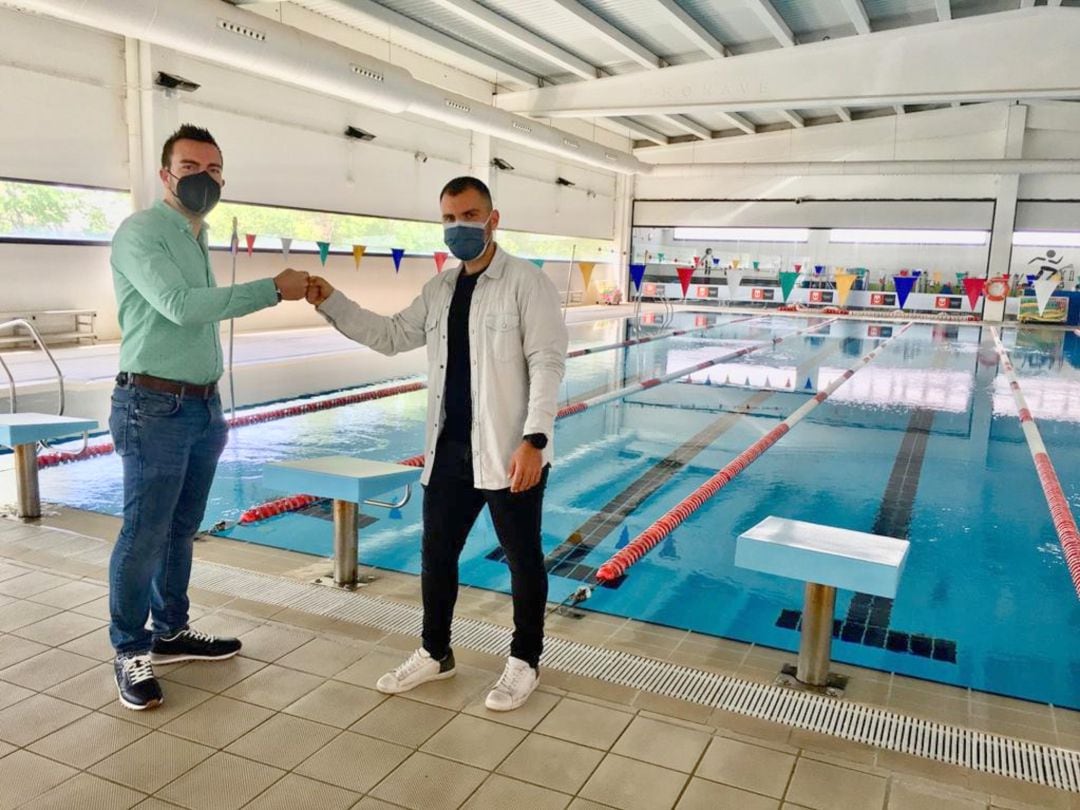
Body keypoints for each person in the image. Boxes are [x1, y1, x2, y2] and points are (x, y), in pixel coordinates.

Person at [305, 176, 567, 711]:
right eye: (448, 219)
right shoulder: (440, 289)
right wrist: (331, 301)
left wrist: (534, 440)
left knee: (522, 558)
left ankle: (524, 660)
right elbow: (389, 335)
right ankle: (434, 652)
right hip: (449, 447)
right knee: (437, 556)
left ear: (494, 219)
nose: (458, 228)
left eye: (469, 216)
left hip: (507, 449)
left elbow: (547, 362)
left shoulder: (526, 283)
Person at [108, 124, 310, 710]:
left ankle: (170, 631)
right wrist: (272, 288)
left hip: (200, 405)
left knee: (179, 530)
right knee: (143, 534)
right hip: (152, 405)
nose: (205, 178)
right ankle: (130, 649)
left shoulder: (196, 235)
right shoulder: (142, 233)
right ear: (165, 174)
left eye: (215, 169)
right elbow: (180, 307)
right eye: (192, 166)